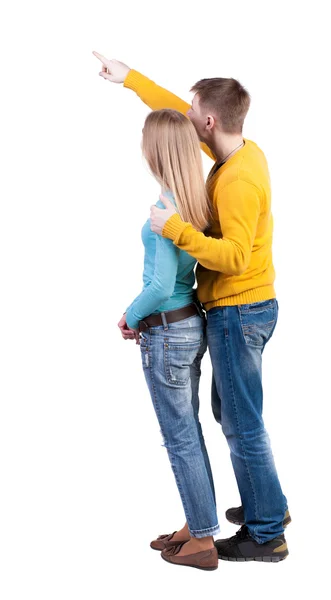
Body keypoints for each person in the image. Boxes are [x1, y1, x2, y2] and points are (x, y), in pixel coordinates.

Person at [93, 52, 290, 563]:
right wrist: (130, 79)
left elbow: (234, 255)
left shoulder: (237, 179)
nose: (185, 116)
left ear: (208, 122)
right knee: (234, 415)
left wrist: (174, 230)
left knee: (242, 422)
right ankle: (268, 504)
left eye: (193, 111)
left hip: (237, 311)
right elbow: (177, 115)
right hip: (237, 310)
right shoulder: (241, 152)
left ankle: (267, 531)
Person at [116, 107, 219, 571]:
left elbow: (158, 286)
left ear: (155, 150)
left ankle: (202, 542)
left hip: (166, 330)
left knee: (180, 439)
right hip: (189, 324)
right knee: (188, 434)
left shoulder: (165, 211)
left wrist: (130, 315)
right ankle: (197, 526)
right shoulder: (193, 200)